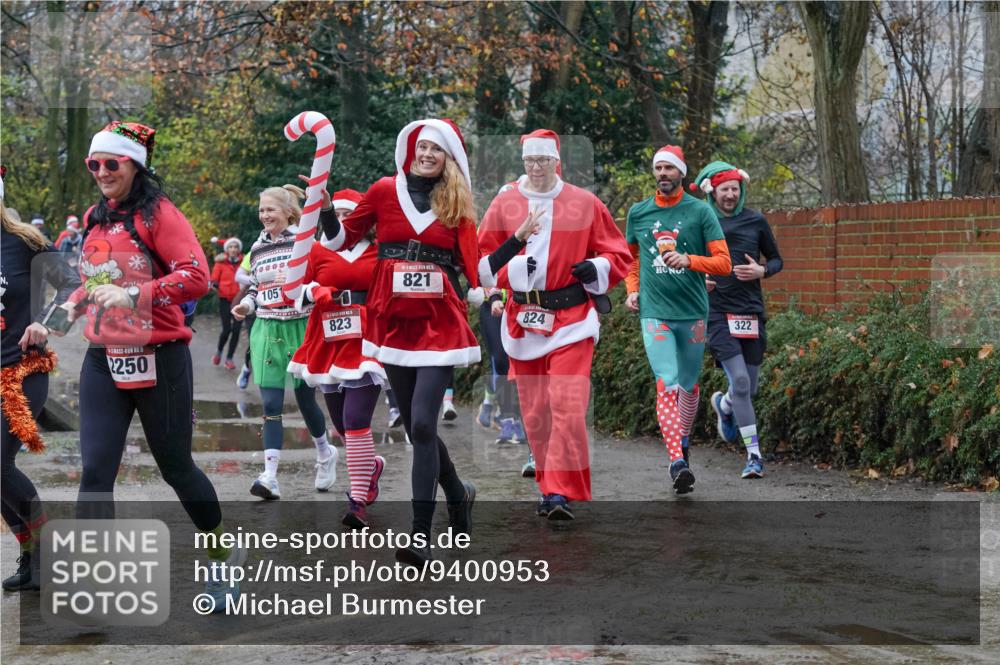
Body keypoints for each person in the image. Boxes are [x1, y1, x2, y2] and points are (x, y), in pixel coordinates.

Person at [60, 121, 244, 609]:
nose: (101, 171)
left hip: (159, 356)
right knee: (96, 469)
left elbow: (197, 277)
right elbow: (93, 281)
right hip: (103, 360)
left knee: (177, 468)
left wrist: (135, 293)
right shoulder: (95, 219)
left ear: (134, 165)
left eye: (111, 163)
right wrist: (62, 312)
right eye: (93, 163)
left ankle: (222, 556)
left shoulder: (159, 215)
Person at [318, 118, 484, 567]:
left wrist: (512, 254)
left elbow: (477, 270)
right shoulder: (383, 190)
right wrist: (325, 207)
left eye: (437, 149)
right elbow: (339, 240)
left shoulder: (457, 202)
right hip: (392, 319)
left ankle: (419, 536)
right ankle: (457, 491)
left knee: (425, 426)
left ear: (449, 158)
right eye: (422, 146)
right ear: (410, 148)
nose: (427, 154)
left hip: (439, 320)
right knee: (414, 426)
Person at [478, 129, 631, 520]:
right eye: (530, 160)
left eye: (543, 160)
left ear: (556, 161)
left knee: (567, 405)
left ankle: (561, 490)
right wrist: (509, 274)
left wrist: (595, 266)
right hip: (522, 320)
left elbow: (618, 254)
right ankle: (550, 490)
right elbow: (482, 258)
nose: (536, 167)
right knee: (536, 414)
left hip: (572, 320)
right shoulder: (506, 201)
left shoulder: (583, 202)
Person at [624, 145, 732, 494]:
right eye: (658, 168)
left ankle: (682, 440)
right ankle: (677, 460)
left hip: (693, 313)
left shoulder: (700, 212)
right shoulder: (639, 213)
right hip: (655, 314)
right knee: (666, 380)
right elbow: (629, 257)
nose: (663, 174)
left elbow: (724, 263)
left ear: (681, 173)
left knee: (688, 384)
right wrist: (632, 288)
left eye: (669, 168)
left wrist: (690, 261)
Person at [288, 188, 386, 528]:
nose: (343, 222)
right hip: (327, 340)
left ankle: (357, 500)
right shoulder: (316, 250)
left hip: (366, 339)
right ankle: (370, 466)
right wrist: (315, 290)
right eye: (339, 216)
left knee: (357, 420)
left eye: (349, 217)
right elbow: (293, 289)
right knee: (342, 424)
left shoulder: (380, 251)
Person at [1, 175, 80, 591]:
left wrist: (47, 322)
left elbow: (73, 284)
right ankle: (33, 558)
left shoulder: (24, 243)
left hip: (22, 369)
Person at [232, 185, 331, 499]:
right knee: (271, 405)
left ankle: (325, 454)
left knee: (305, 401)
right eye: (261, 210)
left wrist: (301, 288)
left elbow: (320, 280)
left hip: (301, 327)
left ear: (288, 212)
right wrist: (246, 306)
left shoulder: (304, 244)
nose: (264, 216)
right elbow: (256, 289)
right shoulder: (257, 248)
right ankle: (270, 476)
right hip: (267, 329)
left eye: (270, 210)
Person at [694, 161, 783, 479]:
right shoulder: (702, 222)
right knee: (742, 382)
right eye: (724, 190)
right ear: (713, 192)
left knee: (750, 386)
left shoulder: (755, 221)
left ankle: (726, 405)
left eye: (734, 189)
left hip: (750, 312)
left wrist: (762, 271)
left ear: (741, 190)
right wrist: (698, 279)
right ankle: (754, 456)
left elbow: (776, 259)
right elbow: (684, 260)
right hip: (717, 313)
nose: (730, 195)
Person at [209, 237, 244, 369]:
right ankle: (218, 352)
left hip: (239, 300)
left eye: (236, 247)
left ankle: (229, 358)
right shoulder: (220, 264)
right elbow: (214, 280)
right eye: (231, 247)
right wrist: (215, 285)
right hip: (224, 299)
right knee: (226, 329)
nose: (233, 249)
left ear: (239, 249)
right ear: (227, 249)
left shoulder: (244, 262)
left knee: (236, 330)